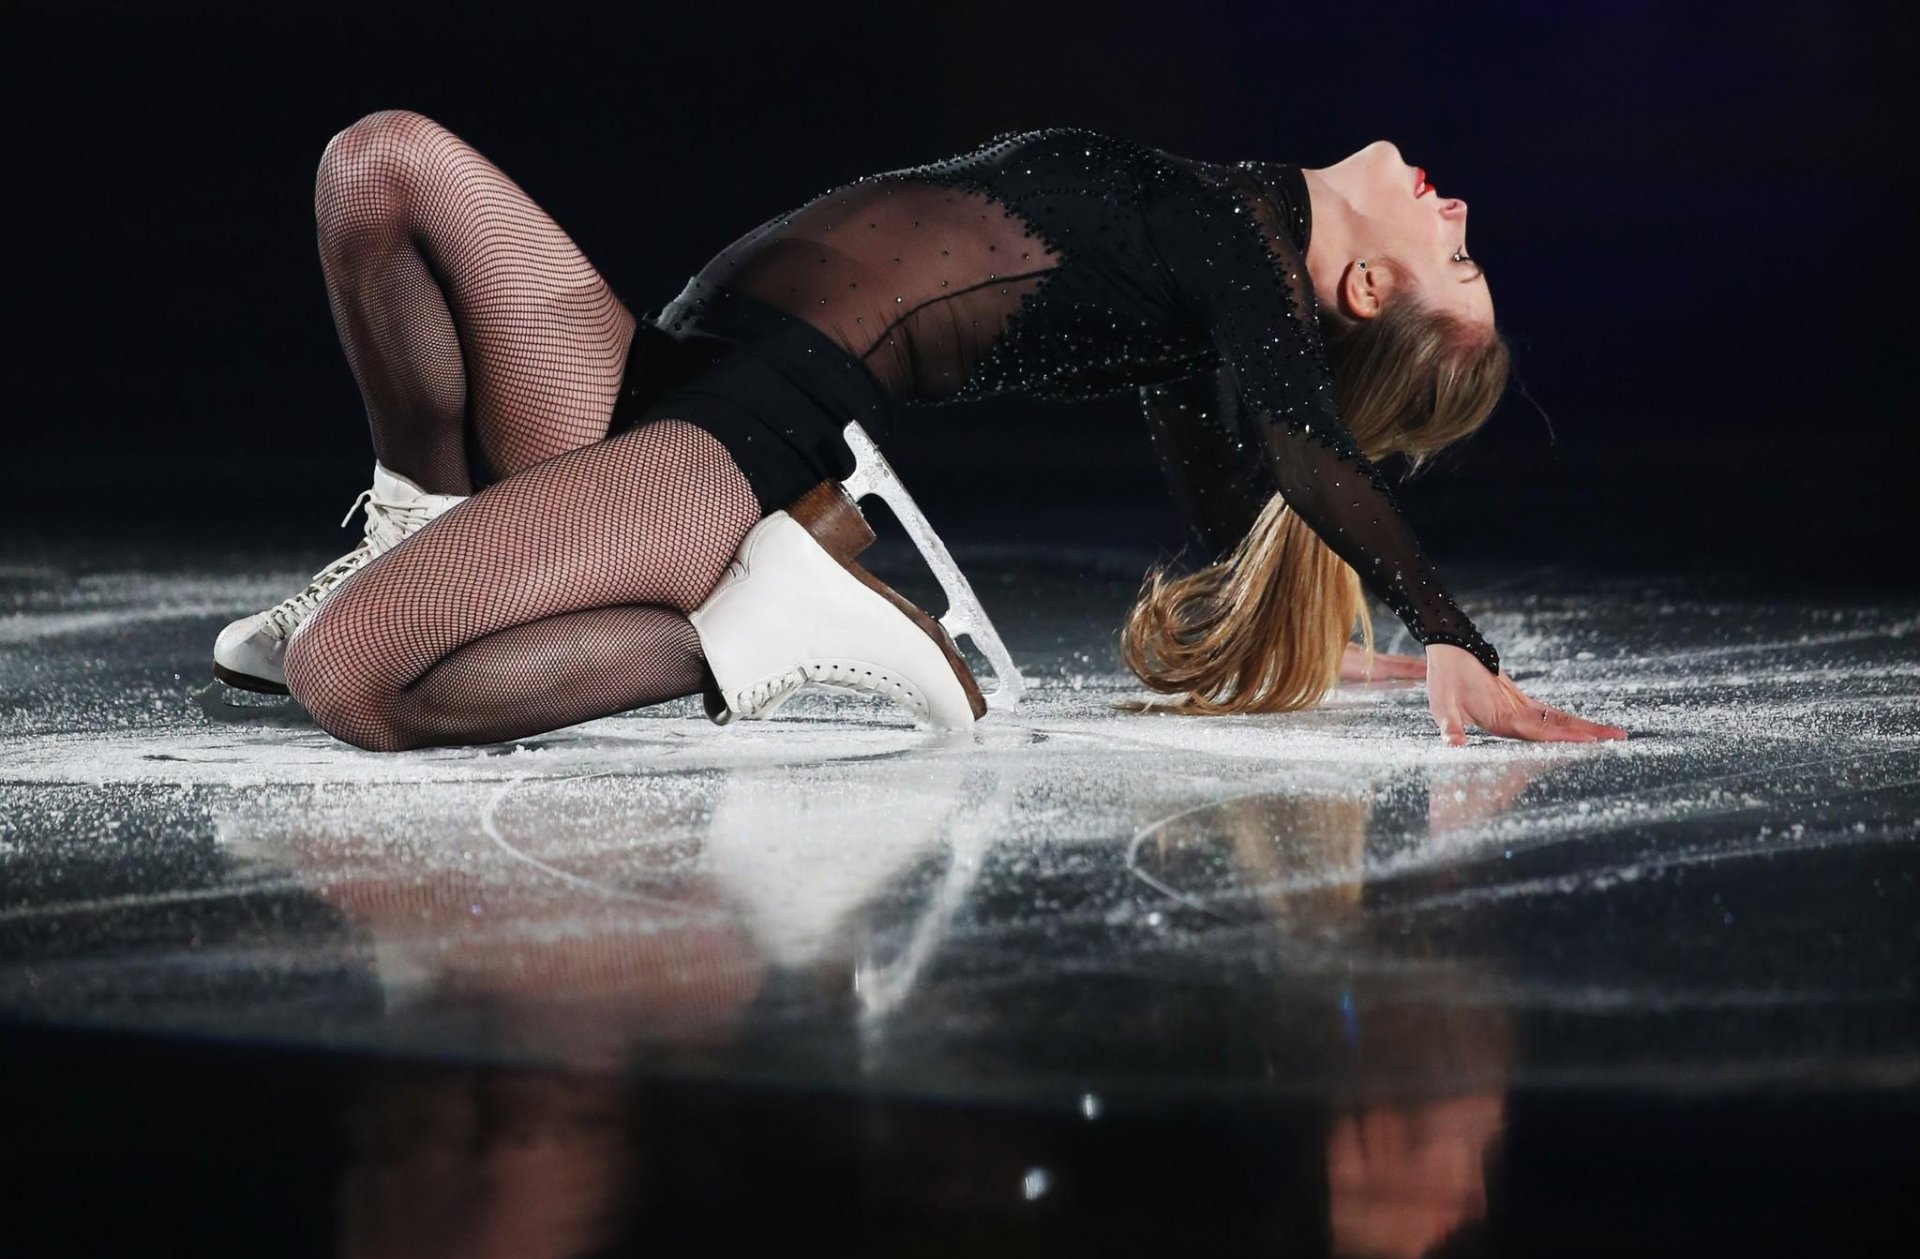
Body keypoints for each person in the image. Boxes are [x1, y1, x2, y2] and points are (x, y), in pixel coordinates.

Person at [213, 111, 1624, 751]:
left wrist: (1453, 636)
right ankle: (423, 525)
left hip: (745, 435)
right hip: (662, 363)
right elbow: (1237, 492)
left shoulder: (1239, 259)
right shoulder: (1218, 252)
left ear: (1366, 290)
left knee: (352, 676)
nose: (1458, 215)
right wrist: (1321, 643)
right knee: (376, 168)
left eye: (1461, 265)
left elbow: (1307, 457)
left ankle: (755, 629)